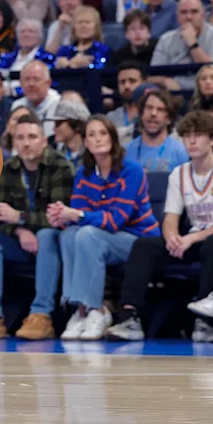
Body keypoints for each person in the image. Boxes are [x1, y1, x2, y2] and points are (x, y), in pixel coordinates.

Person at [106, 111, 213, 342]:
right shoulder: (179, 173)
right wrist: (172, 238)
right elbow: (170, 218)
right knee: (144, 246)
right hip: (191, 239)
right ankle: (129, 317)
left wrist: (189, 239)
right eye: (187, 136)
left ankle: (207, 321)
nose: (192, 141)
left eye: (199, 135)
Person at [0, 112, 74, 340]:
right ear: (14, 142)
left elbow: (58, 217)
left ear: (44, 141)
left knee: (46, 234)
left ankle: (41, 314)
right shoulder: (8, 167)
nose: (26, 143)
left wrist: (20, 218)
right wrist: (19, 229)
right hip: (20, 240)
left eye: (32, 137)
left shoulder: (61, 167)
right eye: (21, 137)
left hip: (52, 242)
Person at [48, 115, 159, 340]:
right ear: (85, 143)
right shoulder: (84, 173)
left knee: (88, 235)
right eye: (91, 134)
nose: (98, 139)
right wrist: (61, 216)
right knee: (69, 235)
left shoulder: (132, 170)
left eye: (103, 133)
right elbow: (79, 215)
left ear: (113, 137)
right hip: (104, 237)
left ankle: (96, 309)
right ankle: (79, 310)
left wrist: (77, 215)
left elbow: (116, 219)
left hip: (139, 241)